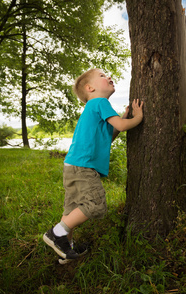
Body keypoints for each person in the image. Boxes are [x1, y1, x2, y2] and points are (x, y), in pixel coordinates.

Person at [43, 68, 143, 260]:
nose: (109, 77)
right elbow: (121, 127)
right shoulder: (100, 102)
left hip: (72, 165)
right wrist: (137, 117)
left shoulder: (94, 108)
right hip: (84, 167)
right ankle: (56, 233)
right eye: (102, 76)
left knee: (71, 210)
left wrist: (121, 120)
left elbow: (110, 136)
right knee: (96, 205)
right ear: (90, 88)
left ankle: (65, 250)